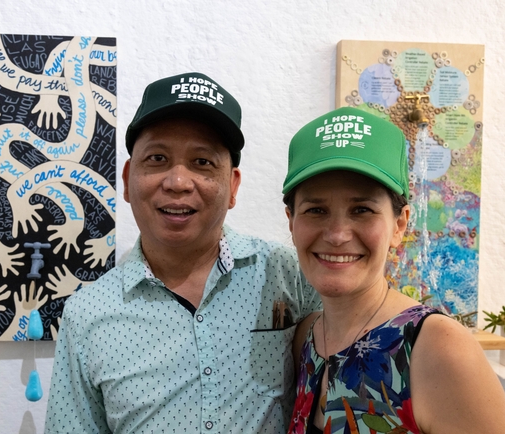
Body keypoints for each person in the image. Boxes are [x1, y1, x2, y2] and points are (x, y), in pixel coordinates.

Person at [45, 72, 321, 434]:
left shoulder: (287, 274)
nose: (177, 182)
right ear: (128, 179)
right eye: (157, 158)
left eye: (202, 162)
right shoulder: (87, 315)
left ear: (233, 186)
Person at [283, 107, 505, 433]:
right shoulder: (306, 340)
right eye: (315, 209)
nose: (336, 234)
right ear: (291, 221)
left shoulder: (438, 349)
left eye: (362, 209)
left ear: (399, 224)